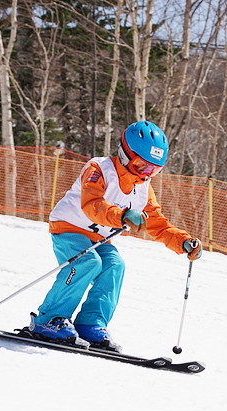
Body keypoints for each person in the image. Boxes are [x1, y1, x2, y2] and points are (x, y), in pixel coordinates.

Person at [23, 121, 202, 352]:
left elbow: (157, 222)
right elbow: (92, 205)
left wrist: (183, 241)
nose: (146, 174)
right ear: (125, 153)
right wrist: (123, 215)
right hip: (69, 227)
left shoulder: (143, 187)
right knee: (87, 263)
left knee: (115, 266)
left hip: (99, 239)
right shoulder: (98, 169)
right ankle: (49, 319)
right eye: (141, 166)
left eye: (153, 170)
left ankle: (90, 323)